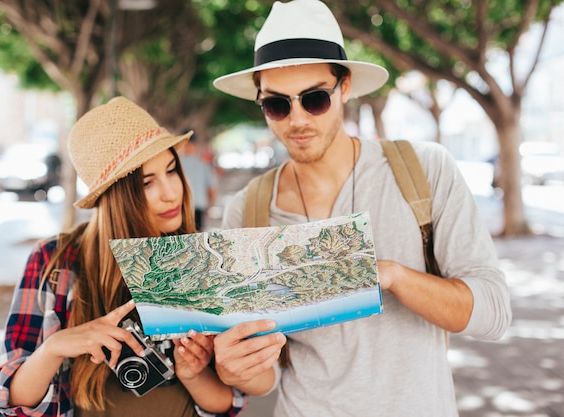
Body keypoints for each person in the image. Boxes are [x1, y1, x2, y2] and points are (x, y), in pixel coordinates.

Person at [210, 1, 512, 416]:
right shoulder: (248, 211)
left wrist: (393, 275)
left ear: (345, 86)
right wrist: (234, 367)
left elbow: (493, 313)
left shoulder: (423, 170)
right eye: (277, 105)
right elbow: (268, 378)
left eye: (314, 99)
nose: (296, 120)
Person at [0, 97, 245, 417]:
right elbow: (7, 403)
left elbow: (227, 404)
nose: (171, 191)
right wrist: (55, 347)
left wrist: (193, 375)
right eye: (147, 182)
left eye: (171, 170)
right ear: (115, 197)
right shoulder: (55, 262)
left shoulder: (198, 258)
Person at [178, 132, 217, 231]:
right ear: (194, 145)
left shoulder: (175, 164)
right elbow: (212, 189)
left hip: (180, 207)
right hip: (198, 207)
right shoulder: (203, 164)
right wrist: (209, 206)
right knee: (197, 240)